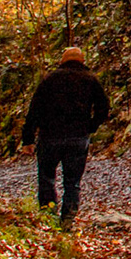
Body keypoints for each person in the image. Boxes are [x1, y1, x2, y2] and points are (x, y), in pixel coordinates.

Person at [20, 46, 110, 226]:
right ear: (82, 61)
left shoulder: (49, 80)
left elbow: (34, 110)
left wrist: (28, 139)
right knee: (73, 181)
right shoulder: (90, 80)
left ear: (62, 61)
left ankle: (48, 215)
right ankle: (68, 218)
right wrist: (91, 126)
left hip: (49, 137)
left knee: (46, 178)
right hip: (78, 137)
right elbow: (104, 108)